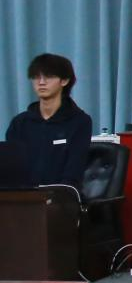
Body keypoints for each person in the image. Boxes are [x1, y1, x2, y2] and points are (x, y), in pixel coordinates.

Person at [6, 54, 92, 188]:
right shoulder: (20, 122)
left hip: (62, 194)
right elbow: (11, 168)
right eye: (36, 77)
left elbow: (74, 171)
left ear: (64, 81)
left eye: (49, 76)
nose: (41, 82)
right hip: (24, 195)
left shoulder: (80, 121)